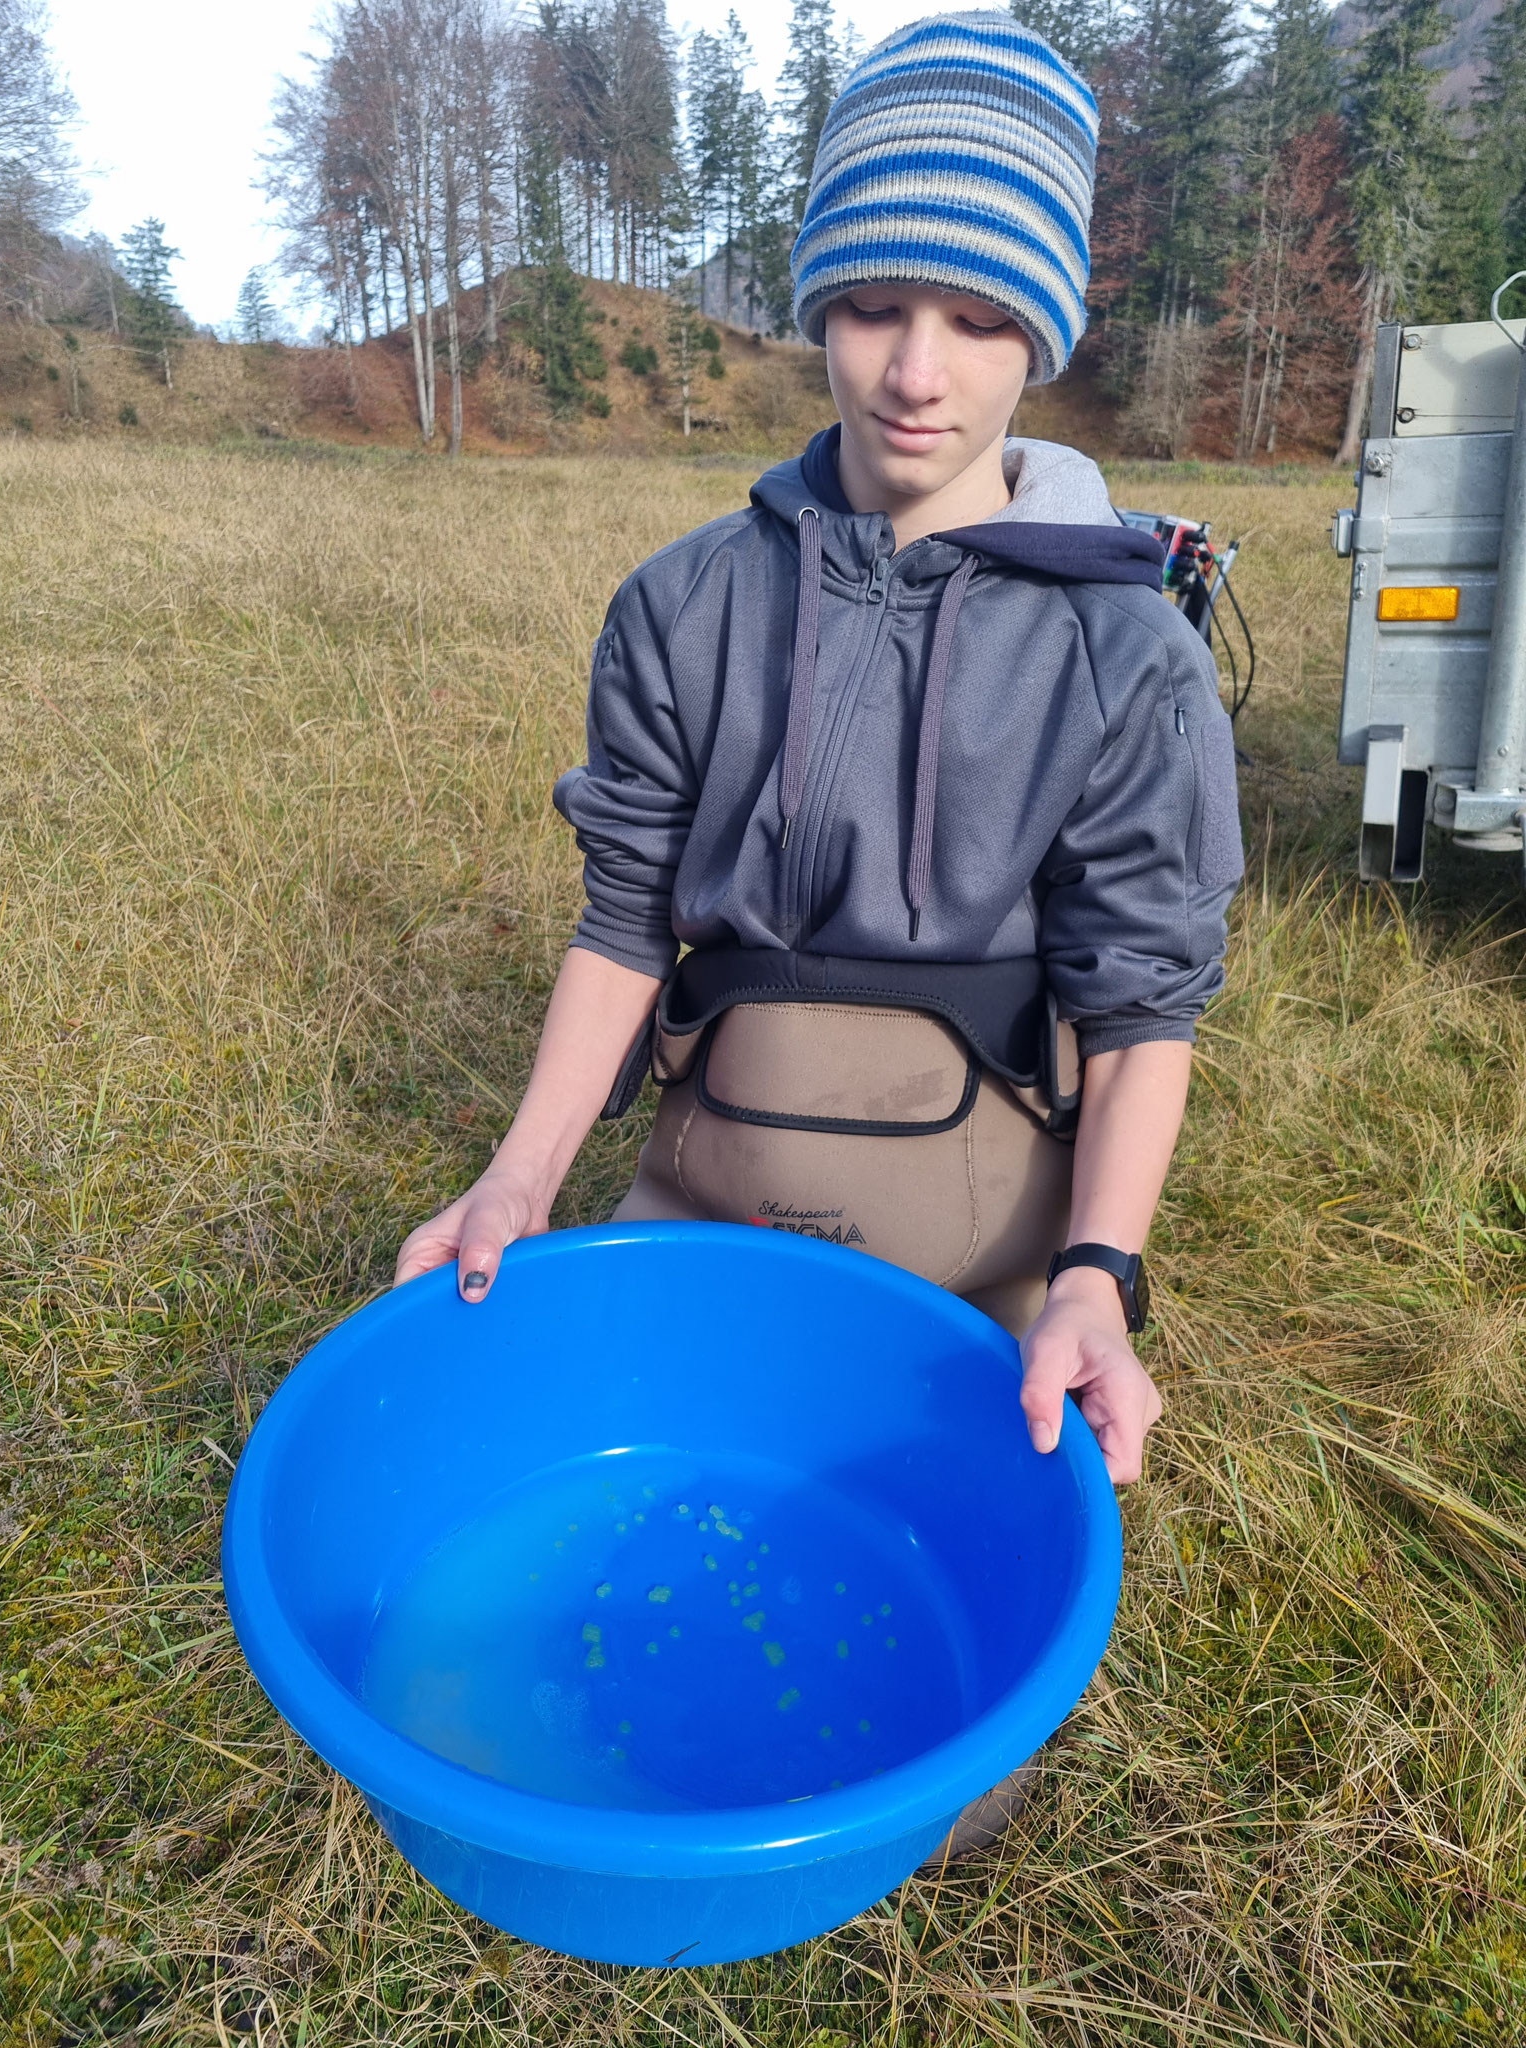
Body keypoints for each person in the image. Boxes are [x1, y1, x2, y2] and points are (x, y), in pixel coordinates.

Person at [395, 11, 1242, 1858]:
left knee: (942, 1753)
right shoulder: (685, 603)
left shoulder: (1128, 653)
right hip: (709, 1168)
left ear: (1046, 331)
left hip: (992, 1226)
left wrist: (1096, 1274)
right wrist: (517, 1180)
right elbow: (624, 923)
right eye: (872, 304)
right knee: (605, 1596)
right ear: (815, 306)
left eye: (978, 318)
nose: (916, 374)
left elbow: (1146, 994)